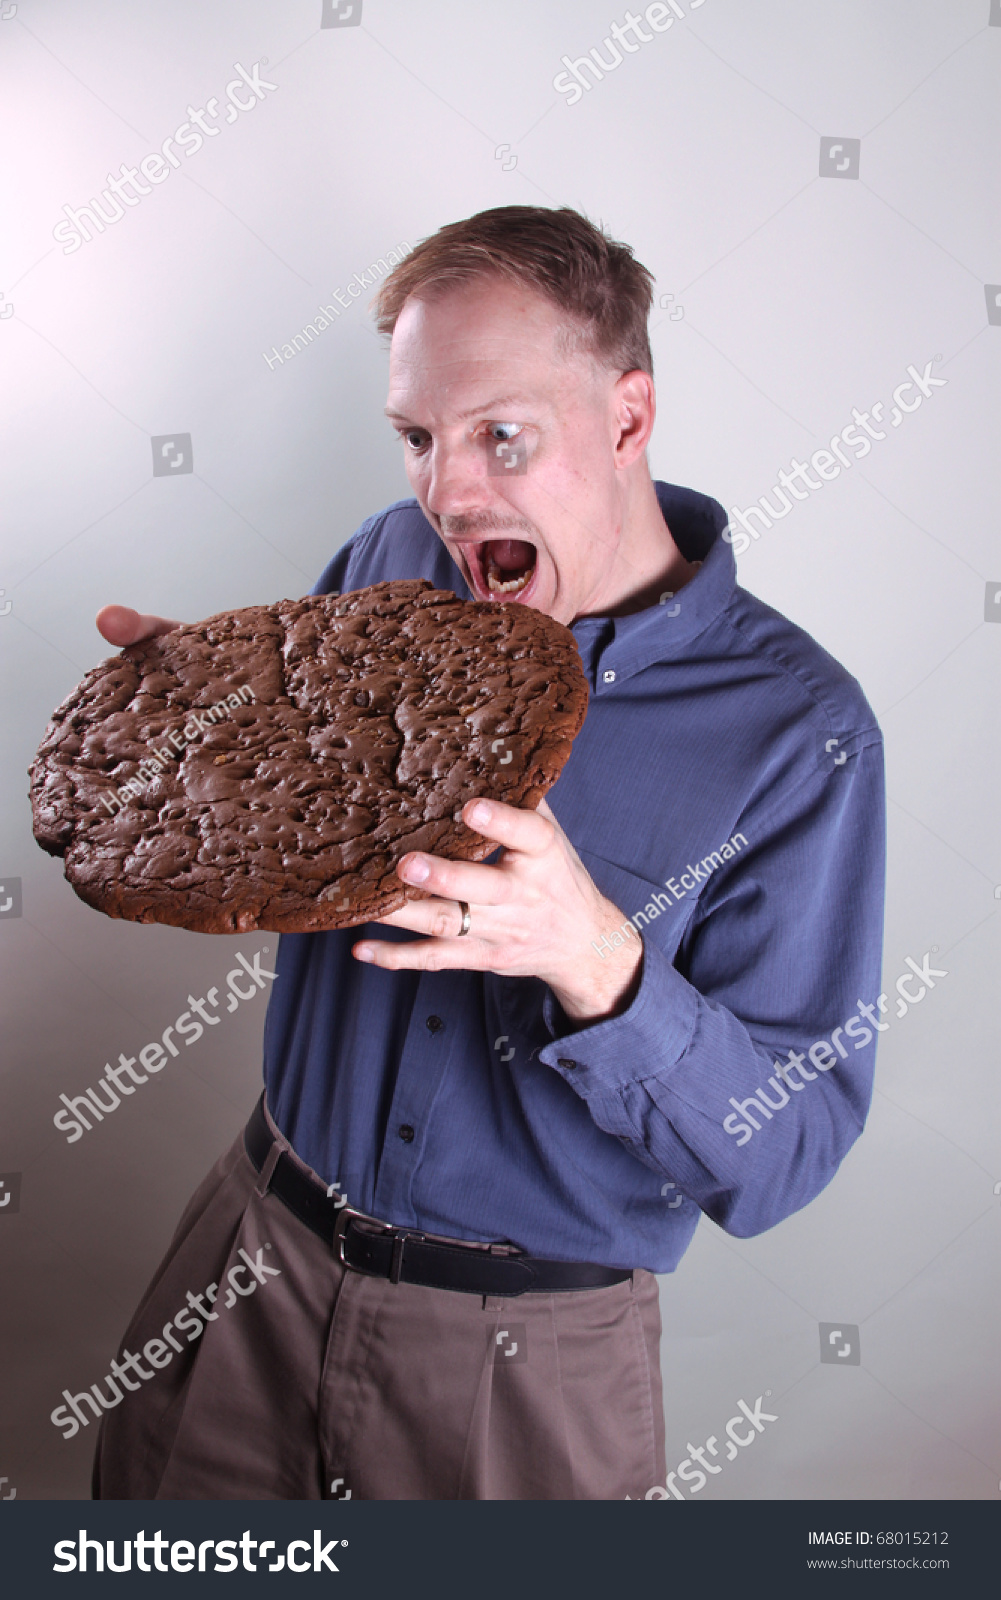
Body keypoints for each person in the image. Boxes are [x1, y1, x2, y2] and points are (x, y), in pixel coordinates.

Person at [91, 206, 884, 1501]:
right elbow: (301, 838)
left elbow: (781, 1158)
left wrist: (600, 965)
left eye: (499, 435)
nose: (445, 494)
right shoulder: (388, 566)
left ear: (627, 418)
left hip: (524, 1376)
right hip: (251, 1265)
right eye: (417, 438)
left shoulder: (800, 736)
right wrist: (215, 751)